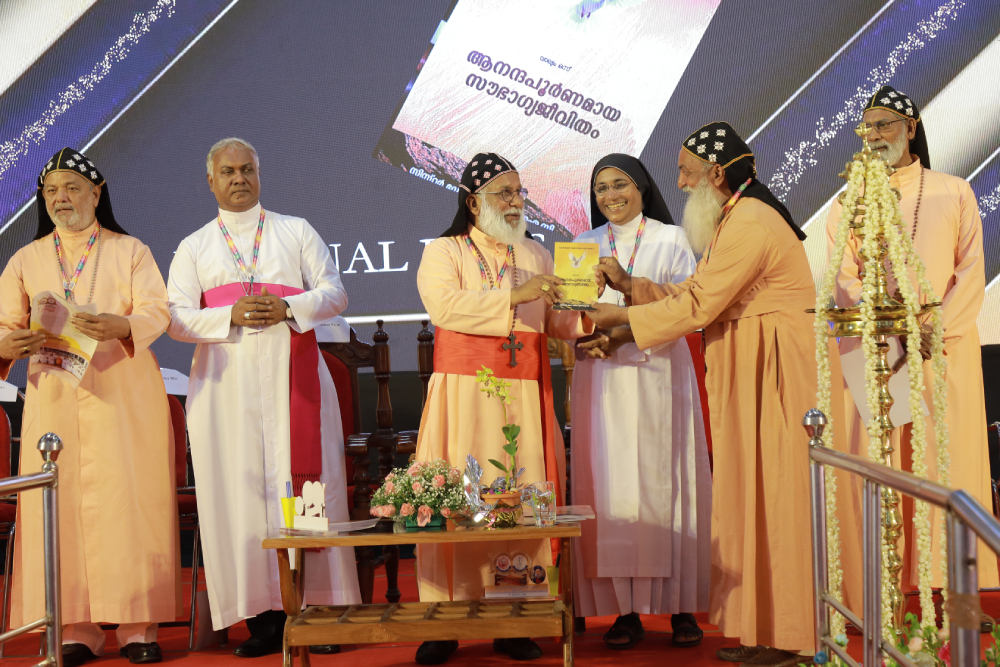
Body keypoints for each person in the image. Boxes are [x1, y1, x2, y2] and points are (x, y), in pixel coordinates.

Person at [586, 123, 818, 667]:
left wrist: (620, 316)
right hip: (747, 359)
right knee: (749, 497)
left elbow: (698, 306)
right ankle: (766, 630)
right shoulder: (735, 217)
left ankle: (794, 635)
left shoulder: (751, 222)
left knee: (776, 497)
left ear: (717, 173)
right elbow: (694, 293)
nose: (682, 184)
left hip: (774, 366)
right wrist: (631, 291)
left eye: (688, 173)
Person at [166, 138, 360, 657]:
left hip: (297, 388)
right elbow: (176, 317)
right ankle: (263, 620)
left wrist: (288, 307)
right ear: (211, 181)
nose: (238, 178)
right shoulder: (194, 246)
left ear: (259, 173)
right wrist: (227, 315)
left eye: (247, 169)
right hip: (226, 397)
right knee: (242, 501)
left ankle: (317, 609)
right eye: (227, 171)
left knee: (308, 496)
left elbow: (335, 292)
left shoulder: (295, 230)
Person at [412, 152, 593, 664]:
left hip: (521, 395)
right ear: (473, 202)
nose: (516, 203)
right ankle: (442, 620)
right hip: (463, 396)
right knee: (457, 496)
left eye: (519, 193)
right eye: (503, 194)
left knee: (521, 496)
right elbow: (445, 307)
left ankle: (518, 613)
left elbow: (553, 321)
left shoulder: (535, 253)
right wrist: (516, 296)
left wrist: (585, 313)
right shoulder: (444, 251)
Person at [1, 148, 179, 666]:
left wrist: (121, 325)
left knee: (131, 505)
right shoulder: (26, 259)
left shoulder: (130, 250)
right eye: (52, 191)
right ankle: (74, 628)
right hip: (54, 397)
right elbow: (4, 325)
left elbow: (156, 309)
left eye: (72, 188)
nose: (62, 199)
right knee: (60, 506)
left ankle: (138, 627)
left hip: (123, 395)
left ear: (96, 194)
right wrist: (9, 344)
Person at [824, 86, 998, 619]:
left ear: (910, 128)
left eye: (884, 125)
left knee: (950, 463)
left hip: (943, 349)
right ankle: (888, 592)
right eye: (867, 127)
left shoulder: (953, 190)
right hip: (877, 348)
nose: (875, 136)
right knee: (885, 463)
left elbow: (972, 269)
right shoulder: (847, 200)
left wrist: (933, 324)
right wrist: (886, 317)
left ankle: (956, 596)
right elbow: (842, 276)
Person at [571, 154, 711, 650]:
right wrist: (586, 335)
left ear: (642, 187)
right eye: (601, 188)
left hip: (658, 376)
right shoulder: (583, 246)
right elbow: (570, 315)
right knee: (611, 492)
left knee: (667, 482)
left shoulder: (671, 238)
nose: (610, 195)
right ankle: (624, 613)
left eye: (619, 184)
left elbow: (685, 308)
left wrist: (623, 334)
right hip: (603, 382)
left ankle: (680, 610)